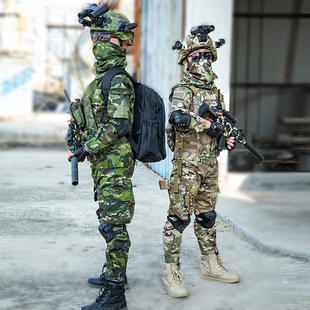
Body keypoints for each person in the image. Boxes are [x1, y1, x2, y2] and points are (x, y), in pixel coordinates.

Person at [162, 28, 240, 298]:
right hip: (187, 166)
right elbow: (178, 120)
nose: (203, 60)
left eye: (208, 55)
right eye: (197, 56)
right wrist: (208, 124)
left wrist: (225, 138)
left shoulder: (216, 93)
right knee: (179, 218)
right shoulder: (183, 90)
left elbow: (219, 126)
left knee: (207, 217)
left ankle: (211, 264)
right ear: (185, 59)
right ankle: (171, 272)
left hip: (209, 165)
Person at [68, 11, 137, 310]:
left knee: (115, 227)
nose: (96, 43)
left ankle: (115, 293)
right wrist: (78, 133)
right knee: (107, 222)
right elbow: (98, 121)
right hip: (103, 164)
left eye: (101, 37)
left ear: (120, 42)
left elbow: (120, 125)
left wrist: (89, 147)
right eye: (93, 37)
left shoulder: (118, 80)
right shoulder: (100, 81)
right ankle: (112, 272)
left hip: (115, 166)